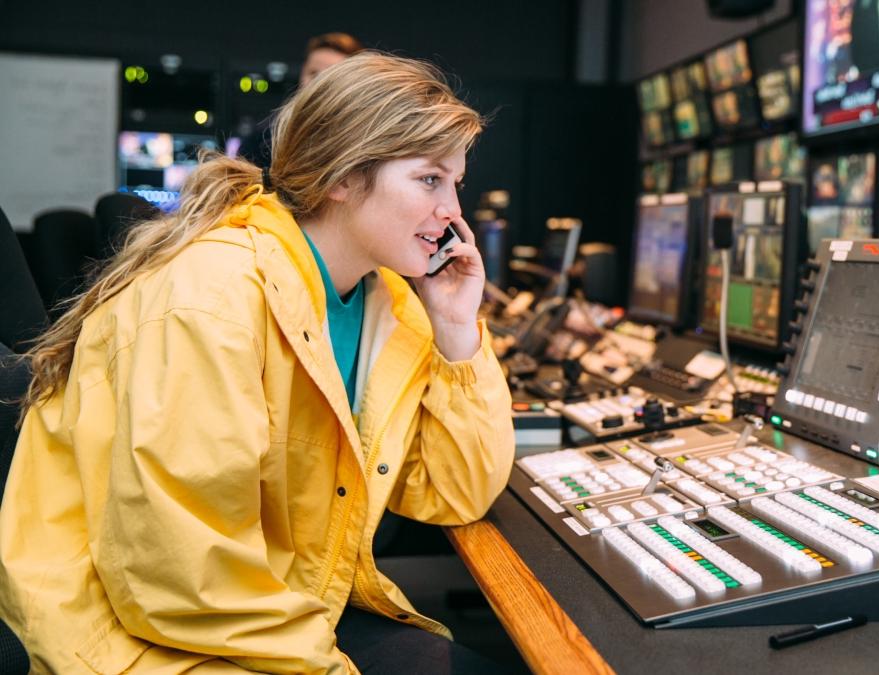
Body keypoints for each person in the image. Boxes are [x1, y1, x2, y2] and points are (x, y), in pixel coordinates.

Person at [0, 52, 514, 673]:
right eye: (430, 180)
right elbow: (182, 574)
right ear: (342, 176)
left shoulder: (390, 306)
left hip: (273, 609)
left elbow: (453, 494)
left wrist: (457, 331)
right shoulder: (211, 299)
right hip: (141, 632)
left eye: (455, 183)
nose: (453, 213)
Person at [240, 32, 365, 168]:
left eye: (329, 74)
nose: (318, 82)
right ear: (302, 73)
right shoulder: (265, 136)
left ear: (354, 80)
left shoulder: (365, 139)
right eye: (313, 73)